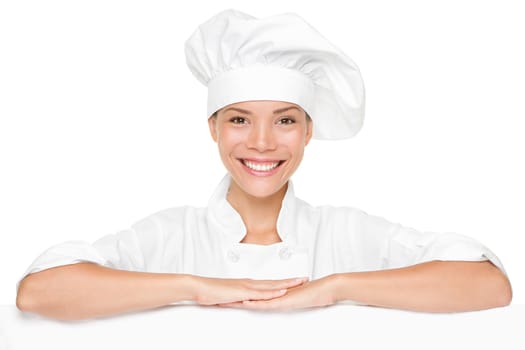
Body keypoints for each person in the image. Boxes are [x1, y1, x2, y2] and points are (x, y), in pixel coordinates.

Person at [16, 9, 512, 321]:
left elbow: (488, 283)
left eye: (285, 120)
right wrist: (197, 287)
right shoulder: (170, 234)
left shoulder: (345, 232)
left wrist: (335, 287)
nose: (261, 142)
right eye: (238, 119)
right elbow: (39, 292)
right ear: (212, 127)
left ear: (308, 131)